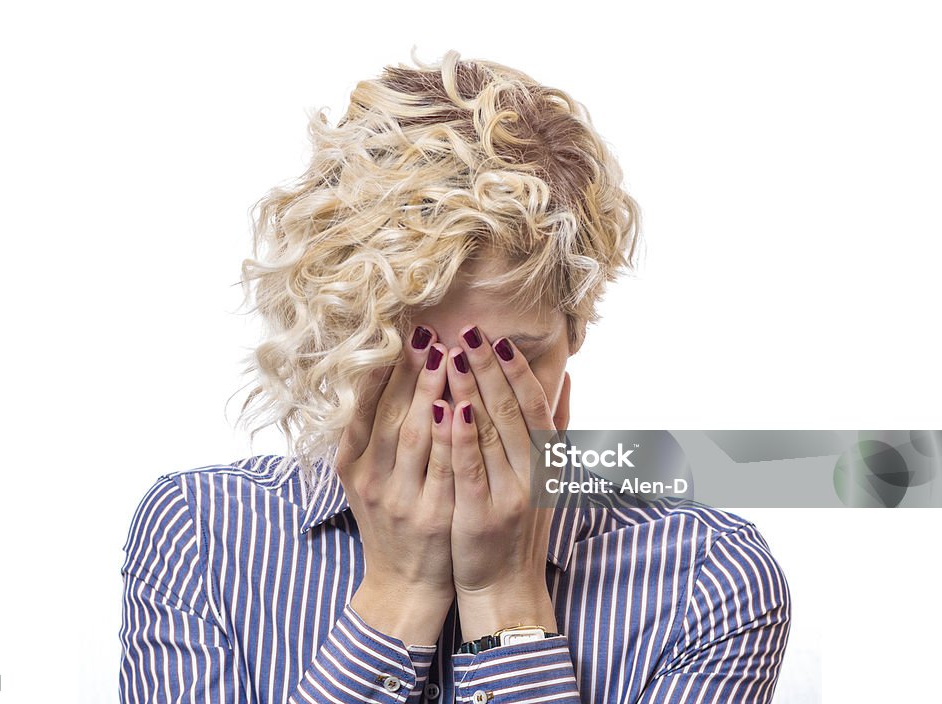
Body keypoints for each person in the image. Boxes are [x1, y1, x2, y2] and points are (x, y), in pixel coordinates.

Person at [119, 49, 791, 703]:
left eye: (509, 363)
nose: (460, 406)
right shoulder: (201, 533)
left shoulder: (709, 576)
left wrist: (507, 603)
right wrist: (397, 597)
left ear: (576, 331)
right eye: (410, 359)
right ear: (339, 337)